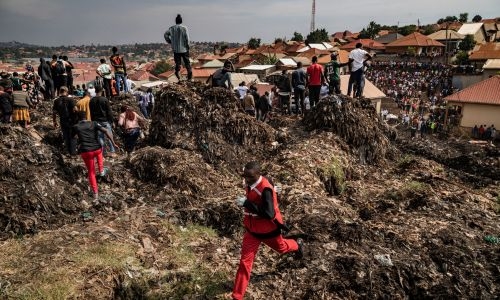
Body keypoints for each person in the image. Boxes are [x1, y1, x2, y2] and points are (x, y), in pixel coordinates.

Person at [232, 161, 303, 300]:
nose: (247, 180)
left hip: (269, 231)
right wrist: (275, 189)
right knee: (244, 263)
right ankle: (237, 296)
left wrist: (246, 203)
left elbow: (269, 213)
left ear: (258, 175)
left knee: (282, 248)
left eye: (250, 177)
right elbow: (270, 185)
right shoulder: (251, 180)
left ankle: (297, 244)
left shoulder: (265, 189)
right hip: (252, 232)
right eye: (245, 176)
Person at [72, 111, 117, 201]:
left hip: (86, 151)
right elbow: (106, 131)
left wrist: (76, 147)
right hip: (96, 149)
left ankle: (95, 194)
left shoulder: (76, 127)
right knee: (99, 152)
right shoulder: (93, 123)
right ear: (87, 116)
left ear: (78, 118)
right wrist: (113, 143)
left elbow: (72, 138)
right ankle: (101, 170)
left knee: (91, 172)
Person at [89, 86, 116, 157]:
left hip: (96, 122)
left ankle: (103, 153)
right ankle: (112, 151)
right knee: (109, 136)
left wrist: (92, 122)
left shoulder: (91, 100)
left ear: (95, 91)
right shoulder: (104, 99)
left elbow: (91, 112)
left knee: (100, 138)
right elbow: (109, 111)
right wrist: (112, 121)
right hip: (105, 121)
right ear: (102, 91)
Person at [164, 14, 192, 81]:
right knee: (187, 63)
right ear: (181, 21)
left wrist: (170, 41)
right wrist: (188, 46)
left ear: (176, 21)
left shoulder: (171, 28)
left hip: (176, 50)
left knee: (178, 63)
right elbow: (187, 39)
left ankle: (177, 73)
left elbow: (165, 35)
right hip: (184, 49)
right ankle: (189, 74)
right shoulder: (184, 28)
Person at [53, 86, 77, 155]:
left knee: (66, 136)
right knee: (72, 136)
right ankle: (73, 152)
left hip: (63, 121)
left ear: (60, 91)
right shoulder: (71, 100)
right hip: (71, 121)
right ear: (66, 92)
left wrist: (54, 121)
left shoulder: (56, 101)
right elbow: (75, 109)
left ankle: (68, 151)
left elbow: (54, 112)